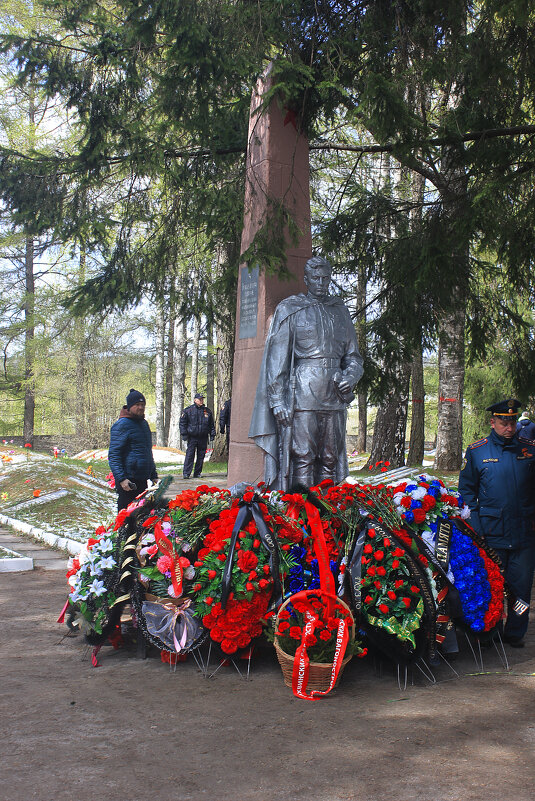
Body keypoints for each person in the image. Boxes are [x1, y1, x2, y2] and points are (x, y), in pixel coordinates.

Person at [249, 255, 363, 490]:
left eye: (325, 278)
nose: (321, 283)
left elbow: (353, 357)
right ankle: (301, 511)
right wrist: (277, 400)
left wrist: (350, 377)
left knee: (330, 457)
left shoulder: (340, 311)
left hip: (334, 394)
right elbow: (277, 360)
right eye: (316, 278)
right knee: (303, 456)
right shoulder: (291, 309)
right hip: (302, 393)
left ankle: (327, 511)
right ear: (306, 279)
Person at [458, 398, 535, 647]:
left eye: (512, 422)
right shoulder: (478, 451)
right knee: (491, 586)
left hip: (524, 532)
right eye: (504, 422)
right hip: (491, 532)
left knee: (521, 588)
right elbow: (467, 492)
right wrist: (477, 524)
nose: (509, 427)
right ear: (493, 423)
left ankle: (515, 633)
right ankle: (490, 632)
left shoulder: (529, 449)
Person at [108, 389, 158, 511]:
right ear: (129, 407)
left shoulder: (144, 424)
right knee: (126, 518)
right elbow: (114, 456)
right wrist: (122, 479)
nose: (141, 407)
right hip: (128, 482)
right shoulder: (122, 425)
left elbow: (146, 453)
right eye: (137, 405)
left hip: (142, 480)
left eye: (143, 405)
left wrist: (153, 476)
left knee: (140, 517)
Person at [180, 393, 216, 479]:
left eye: (202, 399)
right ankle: (186, 473)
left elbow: (211, 424)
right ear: (195, 400)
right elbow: (182, 423)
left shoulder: (207, 411)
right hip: (192, 437)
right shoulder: (188, 411)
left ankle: (197, 473)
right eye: (199, 399)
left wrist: (212, 434)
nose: (201, 401)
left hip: (203, 437)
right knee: (190, 455)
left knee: (201, 456)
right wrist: (184, 434)